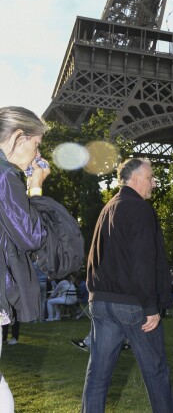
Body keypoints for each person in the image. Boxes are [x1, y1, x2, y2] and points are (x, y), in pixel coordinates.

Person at [81, 158, 173, 413]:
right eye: (150, 178)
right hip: (133, 305)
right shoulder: (139, 209)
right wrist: (151, 306)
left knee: (97, 375)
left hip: (102, 303)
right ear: (135, 178)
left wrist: (94, 295)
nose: (154, 184)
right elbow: (143, 261)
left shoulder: (108, 209)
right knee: (156, 373)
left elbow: (93, 257)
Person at [0, 106, 50, 411]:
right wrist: (35, 185)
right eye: (37, 144)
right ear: (19, 137)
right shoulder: (5, 175)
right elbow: (31, 236)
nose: (38, 153)